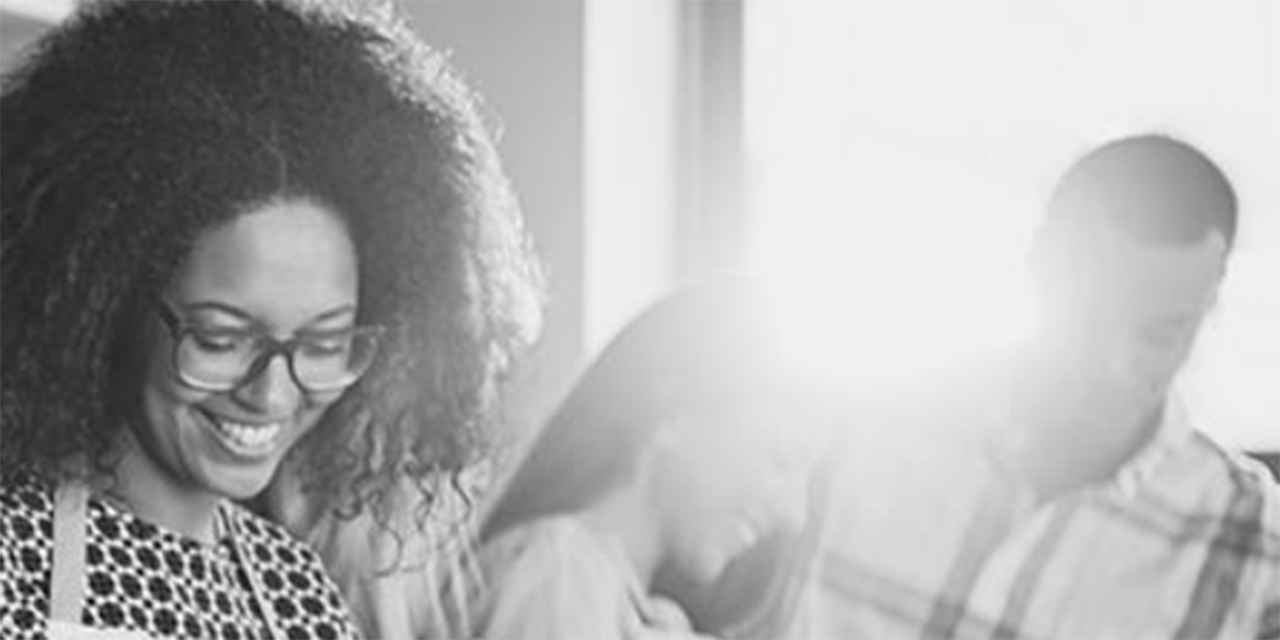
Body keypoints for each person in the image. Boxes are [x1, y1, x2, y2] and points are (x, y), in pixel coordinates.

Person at [0, 0, 543, 638]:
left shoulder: (295, 588)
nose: (271, 392)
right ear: (99, 299)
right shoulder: (12, 555)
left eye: (324, 344)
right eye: (221, 338)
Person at [790, 134, 1280, 638]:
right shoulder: (862, 426)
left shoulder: (1256, 541)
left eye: (1160, 335)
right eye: (1088, 316)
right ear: (1040, 262)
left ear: (1210, 306)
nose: (1113, 365)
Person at [463, 281, 835, 638]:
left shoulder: (608, 593)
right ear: (671, 413)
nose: (795, 514)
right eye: (782, 459)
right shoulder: (562, 570)